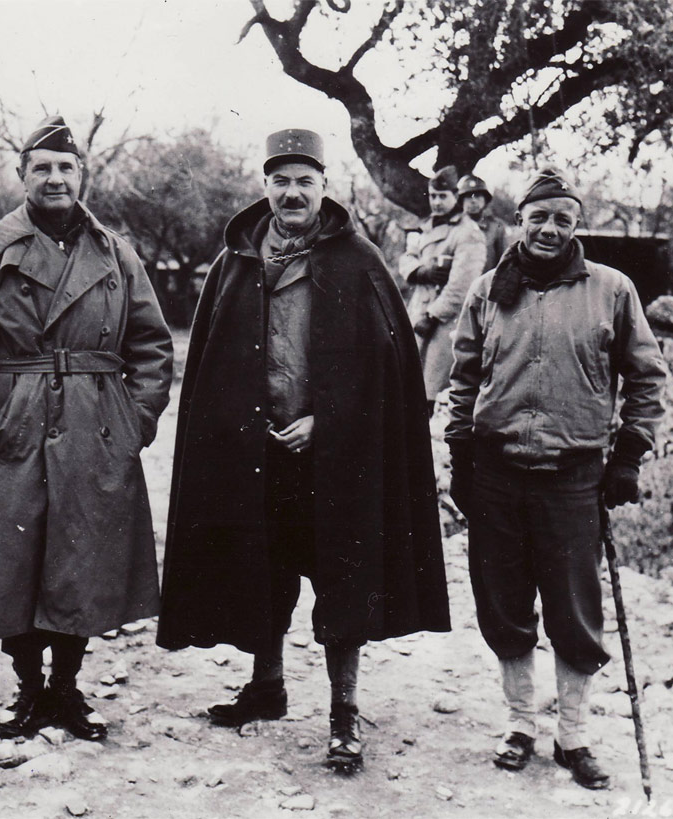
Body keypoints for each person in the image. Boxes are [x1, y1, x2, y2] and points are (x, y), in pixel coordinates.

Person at [157, 129, 450, 773]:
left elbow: (386, 367)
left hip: (335, 458)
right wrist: (241, 420)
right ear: (265, 186)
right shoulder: (234, 261)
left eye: (305, 182)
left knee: (342, 580)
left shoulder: (359, 260)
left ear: (324, 187)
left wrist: (328, 420)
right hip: (255, 451)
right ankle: (267, 687)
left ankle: (343, 713)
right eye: (280, 181)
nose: (293, 193)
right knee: (262, 567)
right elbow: (211, 360)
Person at [0, 115, 173, 742]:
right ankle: (29, 691)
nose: (56, 178)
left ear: (83, 175)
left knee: (81, 563)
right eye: (43, 168)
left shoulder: (117, 252)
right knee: (16, 561)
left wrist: (133, 423)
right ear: (22, 177)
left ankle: (66, 688)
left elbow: (151, 345)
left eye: (67, 167)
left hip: (97, 429)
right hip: (17, 423)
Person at [445, 167, 667, 789]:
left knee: (573, 609)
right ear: (519, 223)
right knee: (505, 604)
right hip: (495, 472)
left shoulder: (612, 289)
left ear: (576, 227)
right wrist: (460, 454)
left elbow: (646, 378)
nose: (549, 229)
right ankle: (520, 725)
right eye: (538, 217)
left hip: (574, 476)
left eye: (562, 219)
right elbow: (463, 381)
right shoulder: (487, 290)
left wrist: (627, 455)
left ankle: (574, 737)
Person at [397, 165, 486, 414]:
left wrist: (433, 315)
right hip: (418, 314)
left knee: (432, 393)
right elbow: (406, 258)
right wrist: (419, 271)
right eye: (433, 196)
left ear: (456, 197)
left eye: (442, 196)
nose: (436, 202)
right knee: (408, 387)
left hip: (444, 321)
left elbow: (462, 286)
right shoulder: (428, 227)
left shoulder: (468, 233)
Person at [457, 173, 509, 274]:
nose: (473, 201)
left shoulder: (496, 227)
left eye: (478, 196)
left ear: (485, 200)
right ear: (461, 200)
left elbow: (504, 263)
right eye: (468, 196)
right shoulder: (454, 225)